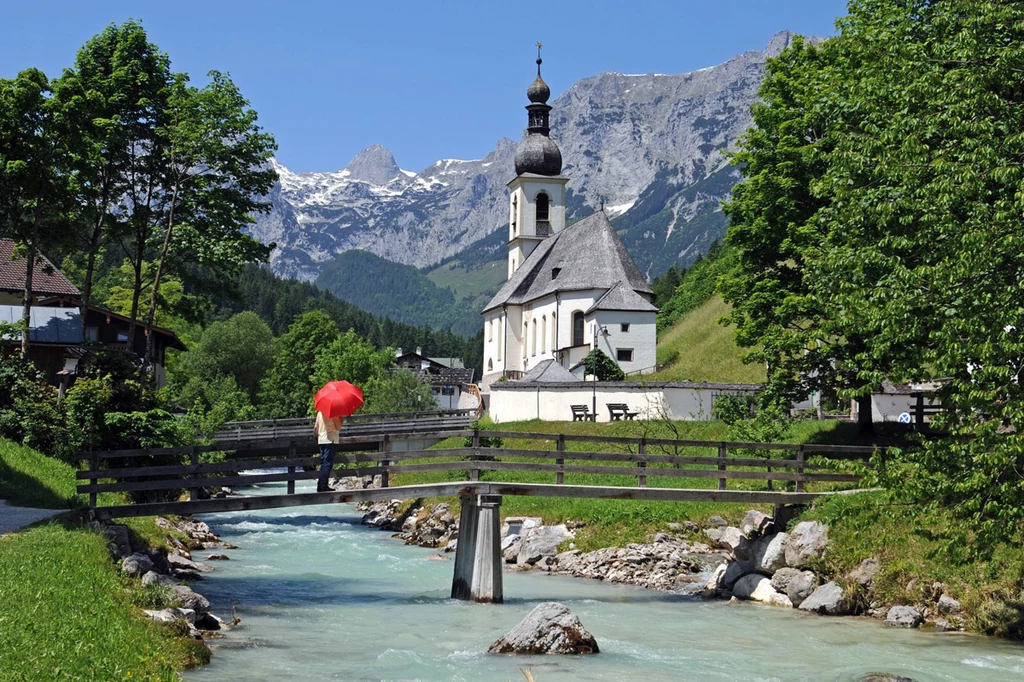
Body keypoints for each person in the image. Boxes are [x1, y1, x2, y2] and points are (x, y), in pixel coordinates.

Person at [314, 410, 343, 492]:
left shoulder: (320, 412)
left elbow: (316, 428)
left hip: (321, 440)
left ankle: (320, 485)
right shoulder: (334, 413)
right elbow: (339, 427)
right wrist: (340, 418)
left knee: (323, 463)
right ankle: (323, 486)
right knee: (327, 464)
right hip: (331, 439)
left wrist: (317, 437)